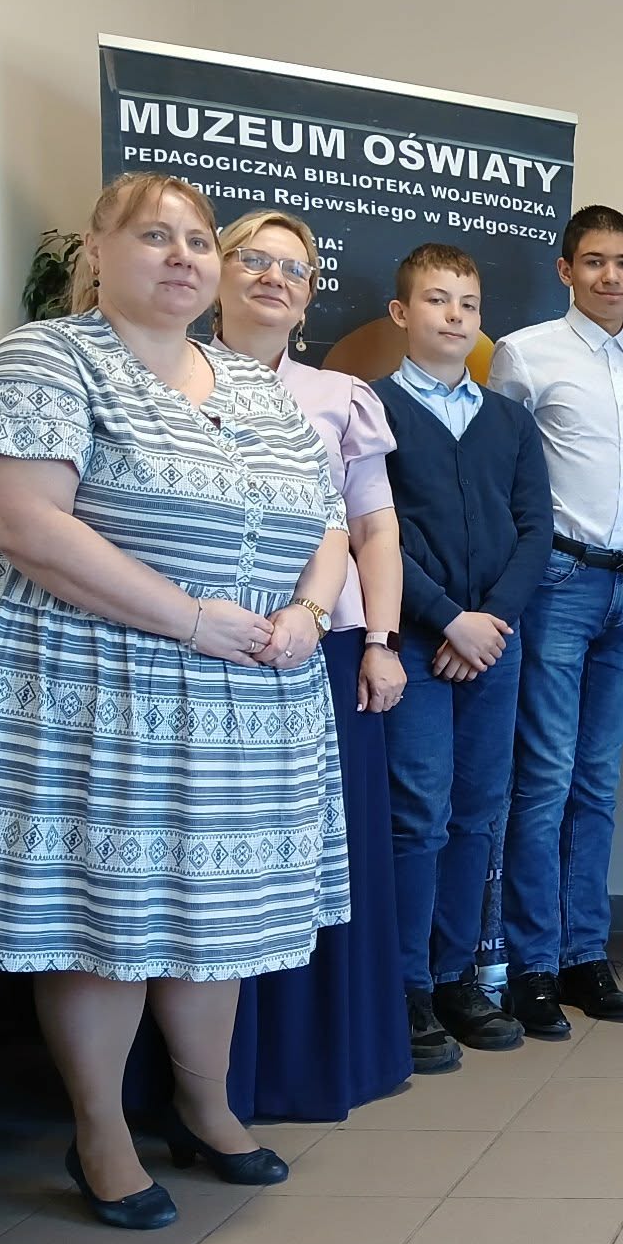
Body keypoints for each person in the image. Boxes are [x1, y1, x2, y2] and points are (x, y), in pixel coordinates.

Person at [0, 173, 349, 1227]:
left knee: (213, 915)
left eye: (196, 240)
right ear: (97, 250)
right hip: (103, 698)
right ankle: (99, 1133)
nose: (182, 256)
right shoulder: (48, 357)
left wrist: (309, 611)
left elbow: (328, 520)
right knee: (105, 917)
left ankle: (206, 1108)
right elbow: (24, 522)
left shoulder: (250, 383)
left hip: (249, 700)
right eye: (155, 236)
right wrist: (191, 619)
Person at [213, 208, 411, 1119]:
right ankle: (199, 1081)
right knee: (215, 861)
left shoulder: (339, 397)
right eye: (253, 259)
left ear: (308, 299)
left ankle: (311, 1063)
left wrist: (379, 642)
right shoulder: (156, 380)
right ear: (215, 275)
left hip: (325, 652)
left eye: (293, 269)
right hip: (197, 648)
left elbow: (374, 530)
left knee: (324, 855)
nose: (273, 278)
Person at [489, 206, 623, 1035]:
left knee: (598, 781)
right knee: (545, 779)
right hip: (558, 583)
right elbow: (501, 474)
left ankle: (584, 955)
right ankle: (532, 964)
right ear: (566, 270)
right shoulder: (525, 353)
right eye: (594, 261)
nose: (611, 276)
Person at [375, 243, 553, 1072]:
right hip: (414, 642)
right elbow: (372, 533)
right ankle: (405, 985)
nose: (455, 315)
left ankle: (454, 978)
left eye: (469, 304)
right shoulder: (372, 409)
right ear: (401, 312)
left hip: (494, 644)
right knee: (419, 813)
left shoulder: (510, 421)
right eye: (437, 299)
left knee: (480, 811)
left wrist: (488, 624)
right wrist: (449, 621)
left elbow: (535, 530)